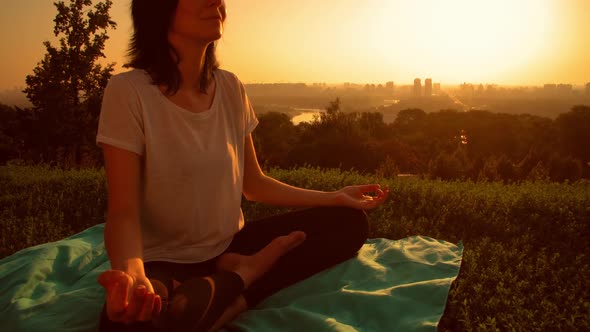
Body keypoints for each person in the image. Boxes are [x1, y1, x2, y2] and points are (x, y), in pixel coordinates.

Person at [95, 0, 390, 331]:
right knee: (129, 321)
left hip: (230, 244)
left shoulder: (230, 87)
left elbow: (254, 184)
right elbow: (123, 212)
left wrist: (335, 197)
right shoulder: (129, 92)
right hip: (162, 260)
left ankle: (233, 286)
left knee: (348, 223)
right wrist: (133, 274)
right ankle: (238, 280)